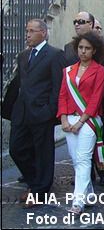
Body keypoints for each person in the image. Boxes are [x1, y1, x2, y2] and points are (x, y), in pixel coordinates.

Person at [11, 19, 65, 208]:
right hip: (22, 112)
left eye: (32, 31)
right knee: (16, 148)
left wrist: (50, 111)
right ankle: (35, 182)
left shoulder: (55, 55)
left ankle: (40, 191)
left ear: (43, 33)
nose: (27, 34)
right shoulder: (23, 55)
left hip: (42, 113)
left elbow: (58, 86)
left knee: (43, 153)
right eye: (27, 31)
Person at [57, 32, 104, 214]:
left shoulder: (100, 71)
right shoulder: (68, 70)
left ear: (94, 51)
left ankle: (77, 202)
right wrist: (63, 118)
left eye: (87, 48)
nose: (83, 51)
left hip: (89, 120)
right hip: (69, 118)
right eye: (80, 48)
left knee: (84, 158)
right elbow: (62, 95)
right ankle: (89, 195)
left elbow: (96, 99)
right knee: (75, 159)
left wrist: (81, 121)